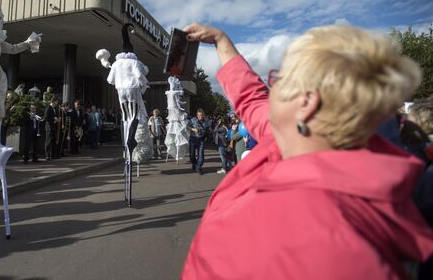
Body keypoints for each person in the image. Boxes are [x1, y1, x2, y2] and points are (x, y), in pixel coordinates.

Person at [181, 23, 433, 279]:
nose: (270, 86)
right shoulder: (294, 140)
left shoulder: (332, 247)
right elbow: (251, 97)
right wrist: (221, 42)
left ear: (306, 103)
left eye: (278, 78)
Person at [188, 109, 208, 174]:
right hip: (193, 139)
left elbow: (207, 130)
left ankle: (199, 168)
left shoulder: (206, 122)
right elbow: (187, 127)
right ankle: (194, 163)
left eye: (202, 115)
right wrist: (193, 129)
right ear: (197, 115)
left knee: (201, 155)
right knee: (192, 155)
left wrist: (206, 136)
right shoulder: (193, 120)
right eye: (199, 115)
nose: (201, 116)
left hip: (201, 140)